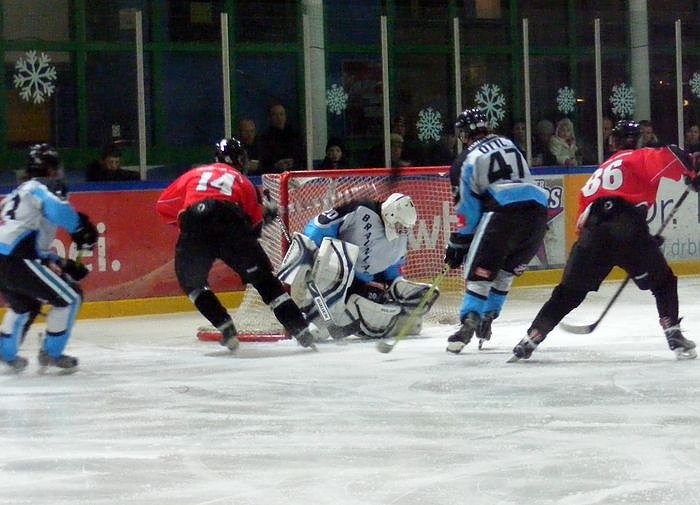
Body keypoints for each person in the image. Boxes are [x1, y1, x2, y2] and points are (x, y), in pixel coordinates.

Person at [511, 120, 700, 361]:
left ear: (612, 142)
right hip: (628, 230)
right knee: (663, 282)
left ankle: (532, 337)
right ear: (638, 140)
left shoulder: (599, 172)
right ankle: (673, 333)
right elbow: (674, 155)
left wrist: (616, 245)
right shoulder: (639, 156)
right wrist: (693, 171)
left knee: (568, 293)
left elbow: (585, 221)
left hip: (593, 234)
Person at [155, 137, 315, 351]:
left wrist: (187, 224)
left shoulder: (194, 174)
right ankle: (301, 329)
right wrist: (265, 215)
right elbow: (253, 229)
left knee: (192, 284)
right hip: (229, 220)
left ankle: (225, 326)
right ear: (240, 159)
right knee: (263, 280)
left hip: (195, 222)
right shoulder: (243, 182)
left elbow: (162, 205)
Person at [444, 108, 549, 353]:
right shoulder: (510, 144)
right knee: (506, 270)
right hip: (538, 213)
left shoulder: (465, 160)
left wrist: (458, 243)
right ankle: (489, 317)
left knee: (480, 274)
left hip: (503, 214)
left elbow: (468, 211)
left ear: (463, 134)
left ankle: (469, 322)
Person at [277, 193, 439, 341]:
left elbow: (391, 272)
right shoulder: (360, 210)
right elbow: (320, 226)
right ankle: (315, 321)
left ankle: (332, 321)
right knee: (339, 260)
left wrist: (402, 287)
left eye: (405, 228)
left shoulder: (401, 239)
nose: (401, 231)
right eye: (399, 225)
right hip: (326, 273)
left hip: (357, 286)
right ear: (391, 214)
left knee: (408, 324)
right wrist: (310, 251)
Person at [0, 143, 98, 372]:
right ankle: (51, 353)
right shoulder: (43, 185)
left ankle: (6, 351)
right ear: (52, 169)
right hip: (17, 259)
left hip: (7, 259)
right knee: (70, 297)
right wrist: (79, 228)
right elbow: (57, 209)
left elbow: (28, 242)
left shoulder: (16, 193)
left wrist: (60, 262)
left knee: (25, 304)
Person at [258, 103, 305, 173]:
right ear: (269, 118)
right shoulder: (265, 138)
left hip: (295, 173)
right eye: (275, 115)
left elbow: (302, 156)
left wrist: (293, 162)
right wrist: (276, 165)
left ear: (285, 116)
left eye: (281, 114)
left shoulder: (295, 135)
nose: (279, 118)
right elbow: (264, 162)